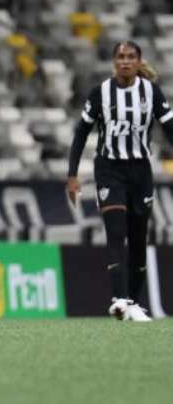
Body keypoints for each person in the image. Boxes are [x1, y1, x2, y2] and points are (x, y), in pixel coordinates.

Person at [67, 41, 172, 322]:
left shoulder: (151, 92)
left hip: (140, 172)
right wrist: (72, 175)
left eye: (130, 57)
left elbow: (170, 128)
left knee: (138, 238)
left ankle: (134, 303)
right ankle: (119, 299)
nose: (125, 61)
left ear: (139, 61)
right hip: (109, 169)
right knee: (116, 231)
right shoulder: (100, 93)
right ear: (114, 62)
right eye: (121, 57)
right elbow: (81, 133)